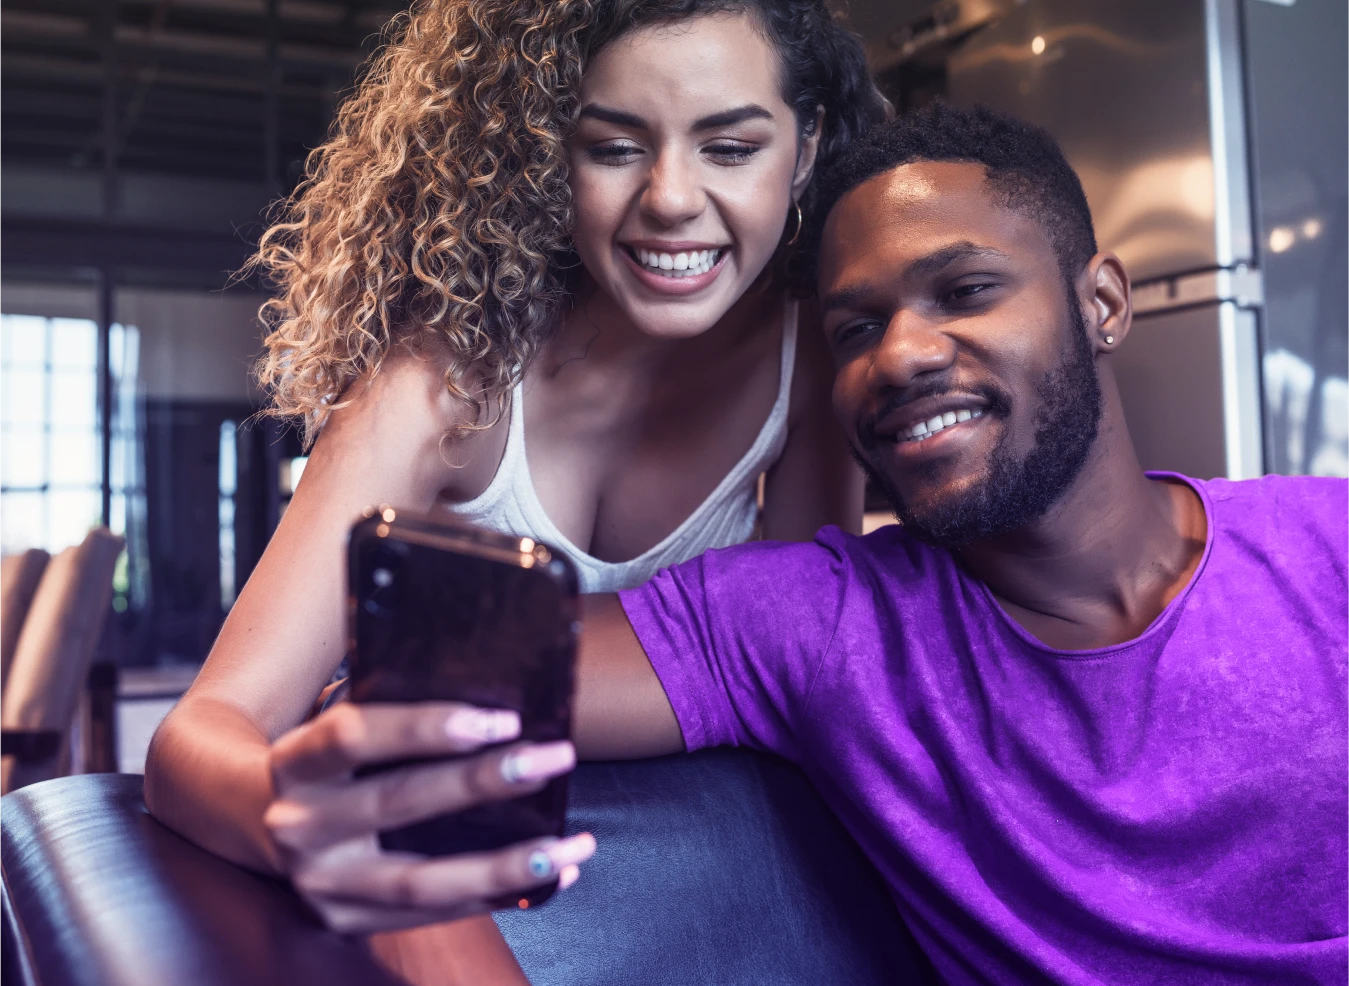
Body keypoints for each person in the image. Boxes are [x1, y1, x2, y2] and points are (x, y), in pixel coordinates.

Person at [234, 101, 1349, 984]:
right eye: (855, 328)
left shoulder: (1324, 538)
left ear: (1099, 301)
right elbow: (392, 702)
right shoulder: (812, 622)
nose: (903, 354)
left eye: (964, 289)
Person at [145, 0, 884, 981]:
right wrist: (296, 817)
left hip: (670, 886)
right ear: (547, 154)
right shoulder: (440, 381)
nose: (669, 197)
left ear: (806, 147)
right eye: (615, 148)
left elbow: (792, 677)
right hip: (444, 871)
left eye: (730, 147)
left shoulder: (808, 355)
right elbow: (197, 734)